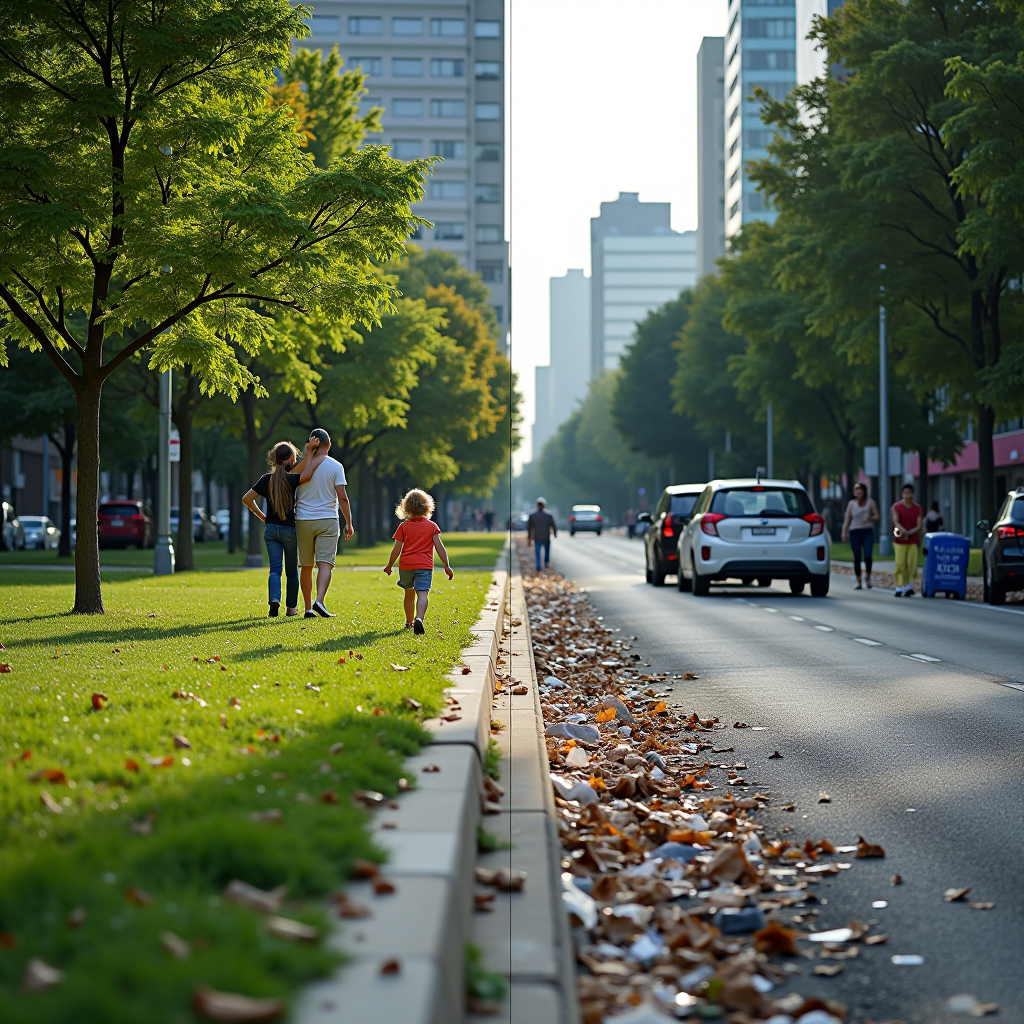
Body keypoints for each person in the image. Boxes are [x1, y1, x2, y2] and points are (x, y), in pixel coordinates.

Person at [242, 441, 324, 617]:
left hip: (271, 530)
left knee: (275, 570)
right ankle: (291, 609)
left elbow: (247, 499)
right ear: (290, 460)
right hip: (289, 530)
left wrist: (263, 517)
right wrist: (309, 452)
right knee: (292, 572)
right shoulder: (291, 479)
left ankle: (274, 600)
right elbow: (308, 475)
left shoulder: (266, 479)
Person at [294, 428, 353, 618]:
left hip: (302, 519)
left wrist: (306, 453)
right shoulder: (336, 466)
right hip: (327, 519)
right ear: (329, 444)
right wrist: (349, 523)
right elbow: (342, 498)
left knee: (306, 565)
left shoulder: (303, 465)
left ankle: (308, 608)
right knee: (325, 564)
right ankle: (319, 600)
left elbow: (288, 480)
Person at [384, 489, 454, 634]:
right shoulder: (432, 526)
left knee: (409, 595)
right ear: (427, 506)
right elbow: (440, 548)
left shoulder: (403, 527)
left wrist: (389, 565)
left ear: (406, 507)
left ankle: (409, 622)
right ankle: (419, 618)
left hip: (406, 566)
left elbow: (396, 549)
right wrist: (446, 565)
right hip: (424, 566)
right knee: (422, 594)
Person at [841, 482, 880, 590]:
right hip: (855, 531)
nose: (858, 492)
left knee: (868, 555)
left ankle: (867, 577)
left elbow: (877, 515)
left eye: (860, 490)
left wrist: (871, 518)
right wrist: (844, 532)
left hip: (867, 531)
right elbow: (847, 519)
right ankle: (858, 580)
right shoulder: (851, 504)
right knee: (857, 556)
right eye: (856, 490)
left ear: (864, 492)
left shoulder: (870, 503)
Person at [891, 483, 923, 597]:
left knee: (911, 563)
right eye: (904, 493)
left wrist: (910, 533)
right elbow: (895, 521)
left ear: (912, 495)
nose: (906, 495)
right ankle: (899, 586)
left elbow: (919, 525)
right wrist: (903, 531)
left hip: (912, 539)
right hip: (899, 538)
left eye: (908, 493)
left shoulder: (917, 508)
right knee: (900, 563)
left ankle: (909, 584)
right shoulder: (896, 506)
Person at [527, 497, 557, 572]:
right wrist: (554, 533)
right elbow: (553, 526)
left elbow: (529, 528)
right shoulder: (548, 515)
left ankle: (539, 565)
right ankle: (543, 564)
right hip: (545, 536)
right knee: (544, 551)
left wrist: (529, 538)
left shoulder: (533, 516)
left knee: (539, 552)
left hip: (539, 537)